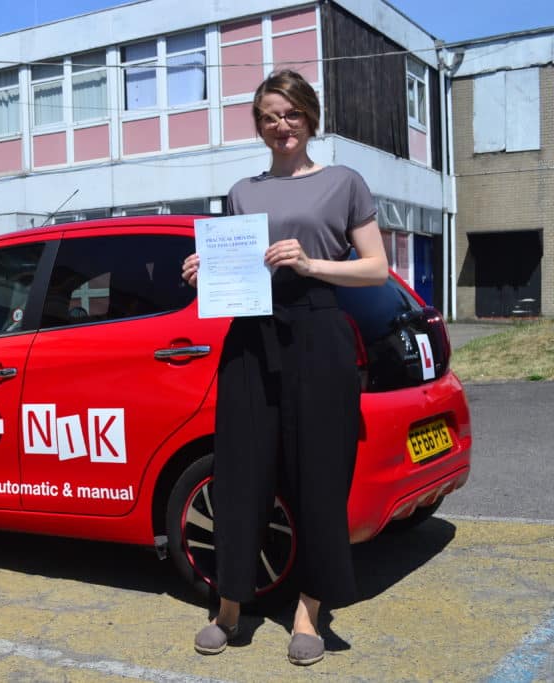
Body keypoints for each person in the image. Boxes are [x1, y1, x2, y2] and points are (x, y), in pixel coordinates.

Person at [181, 69, 388, 666]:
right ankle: (228, 606)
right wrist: (202, 273)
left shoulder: (344, 182)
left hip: (318, 331)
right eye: (270, 116)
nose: (281, 125)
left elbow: (374, 268)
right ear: (260, 125)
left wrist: (313, 263)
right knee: (242, 472)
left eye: (291, 113)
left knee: (317, 477)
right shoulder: (242, 192)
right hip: (251, 336)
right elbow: (236, 270)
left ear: (310, 117)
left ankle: (308, 613)